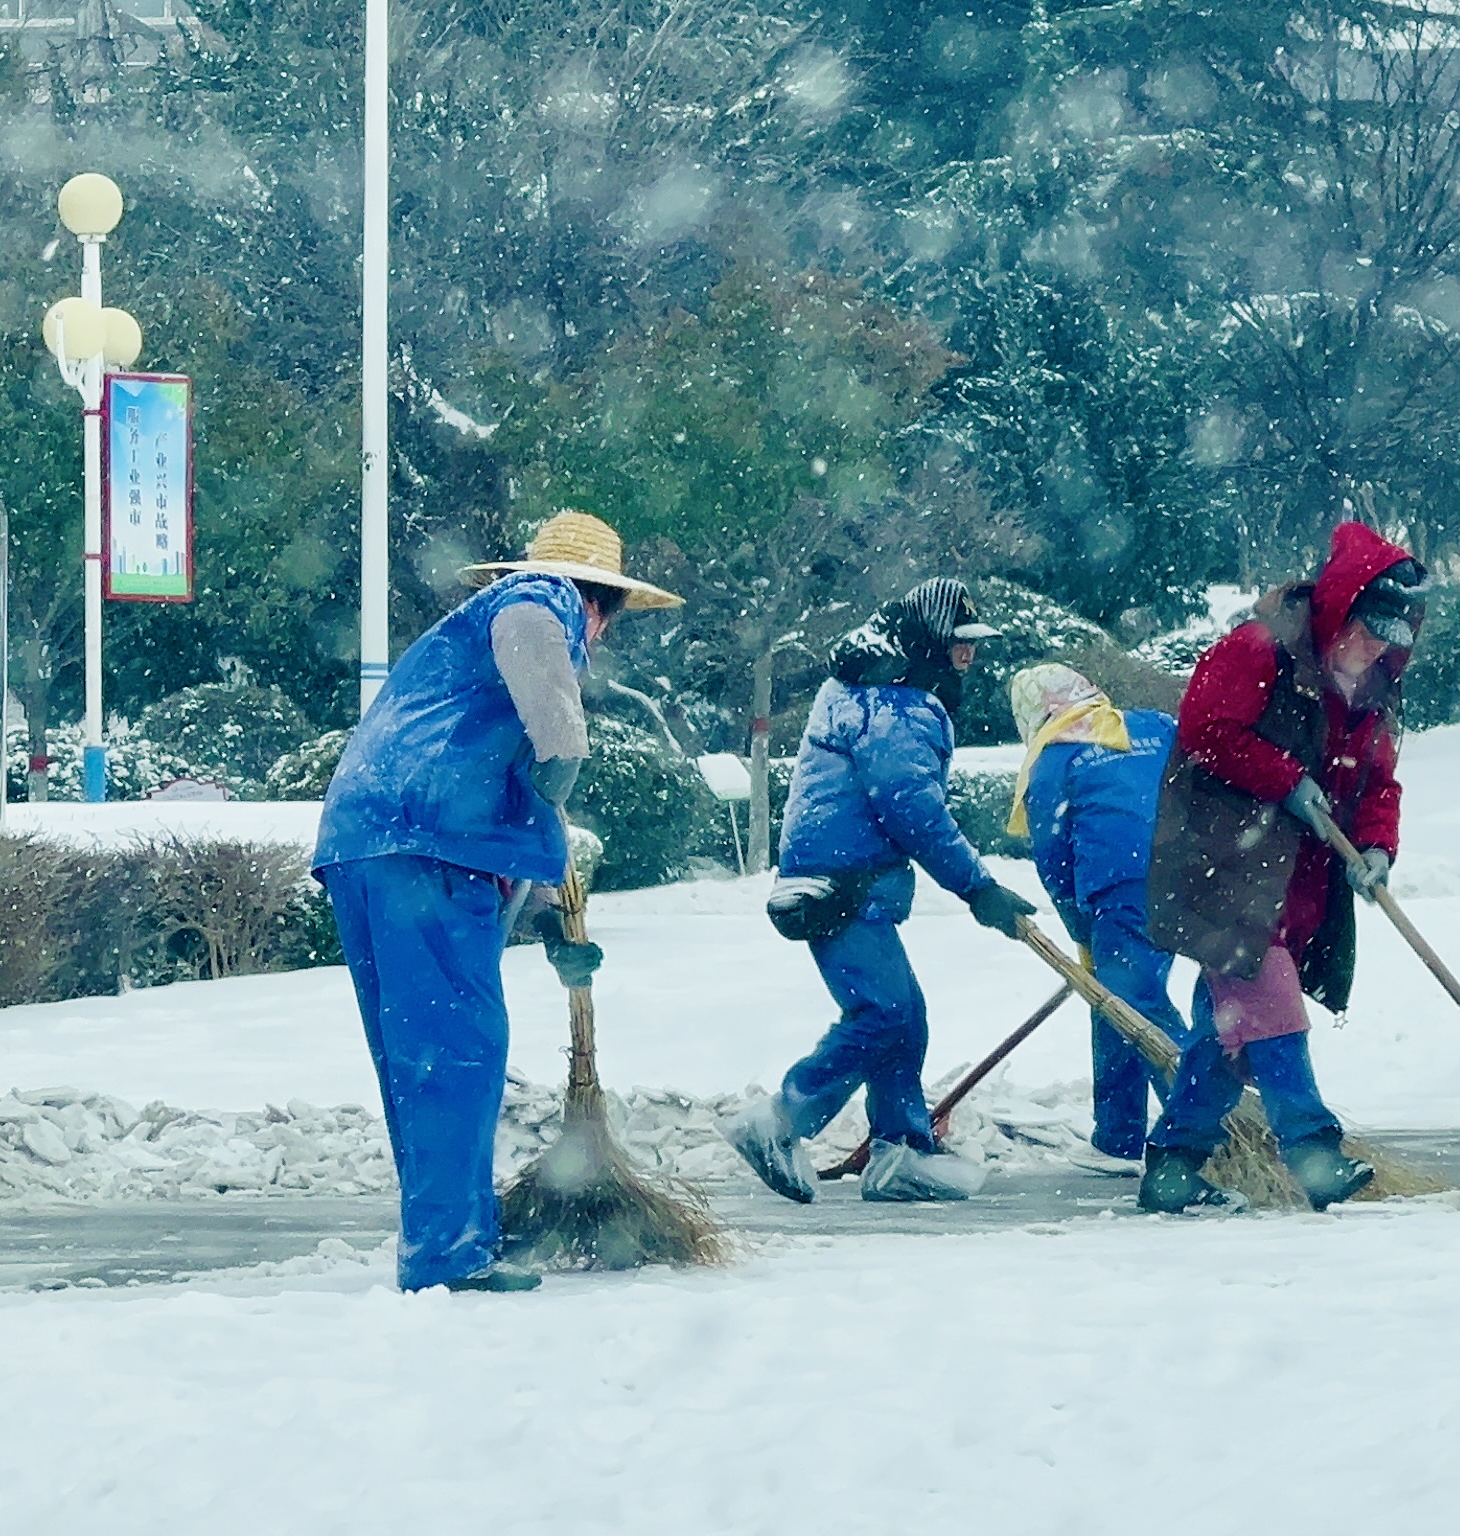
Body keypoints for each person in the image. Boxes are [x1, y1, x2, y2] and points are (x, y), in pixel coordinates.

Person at [310, 509, 675, 1295]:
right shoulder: (538, 602)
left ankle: (448, 1237)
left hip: (368, 837)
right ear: (599, 603)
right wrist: (564, 748)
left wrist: (549, 916)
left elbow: (502, 786)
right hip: (426, 841)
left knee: (420, 1056)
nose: (602, 638)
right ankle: (449, 1256)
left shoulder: (462, 648)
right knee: (457, 1052)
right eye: (607, 618)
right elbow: (540, 682)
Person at [721, 578, 1043, 1206]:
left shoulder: (873, 689)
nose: (968, 658)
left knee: (904, 1019)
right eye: (958, 645)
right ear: (929, 642)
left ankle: (902, 1151)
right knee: (885, 1014)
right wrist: (979, 888)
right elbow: (911, 809)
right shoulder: (892, 704)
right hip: (842, 883)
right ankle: (779, 1121)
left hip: (848, 877)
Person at [1142, 522, 1428, 1214]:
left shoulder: (1372, 693)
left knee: (1225, 1031)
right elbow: (1205, 728)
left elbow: (1378, 783)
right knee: (1270, 1006)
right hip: (1224, 868)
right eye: (1365, 632)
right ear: (1338, 612)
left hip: (1294, 888)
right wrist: (1284, 778)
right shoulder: (1259, 651)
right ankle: (1314, 1152)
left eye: (1387, 638)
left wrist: (1378, 847)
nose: (1373, 649)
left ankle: (1171, 1167)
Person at [1008, 663, 1186, 1170]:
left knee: (1133, 1001)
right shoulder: (1152, 726)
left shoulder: (1053, 759)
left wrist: (1081, 931)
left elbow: (1054, 861)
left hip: (1123, 884)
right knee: (1116, 997)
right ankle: (1118, 1135)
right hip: (1188, 874)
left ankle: (1200, 1118)